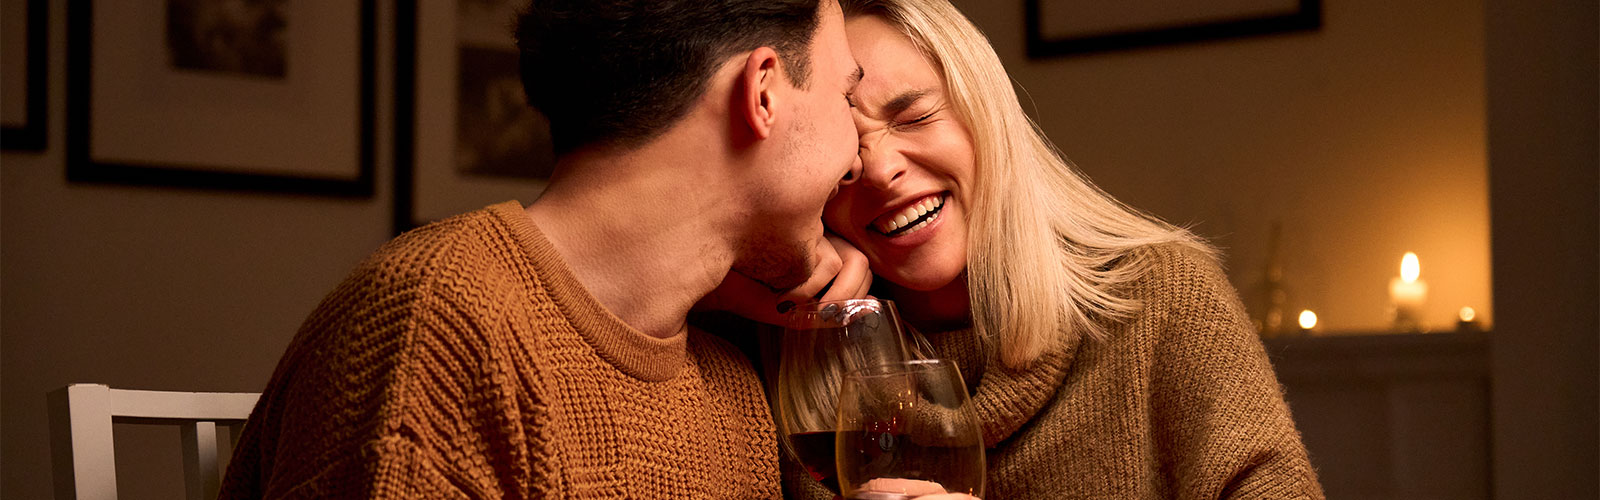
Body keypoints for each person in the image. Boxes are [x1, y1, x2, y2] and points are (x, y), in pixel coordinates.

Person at [218, 0, 866, 497]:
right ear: (763, 93)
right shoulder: (440, 324)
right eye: (846, 95)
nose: (860, 157)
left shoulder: (730, 384)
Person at [779, 0, 1328, 497]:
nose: (879, 169)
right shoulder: (792, 355)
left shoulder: (1162, 296)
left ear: (985, 115)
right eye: (847, 148)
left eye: (915, 116)